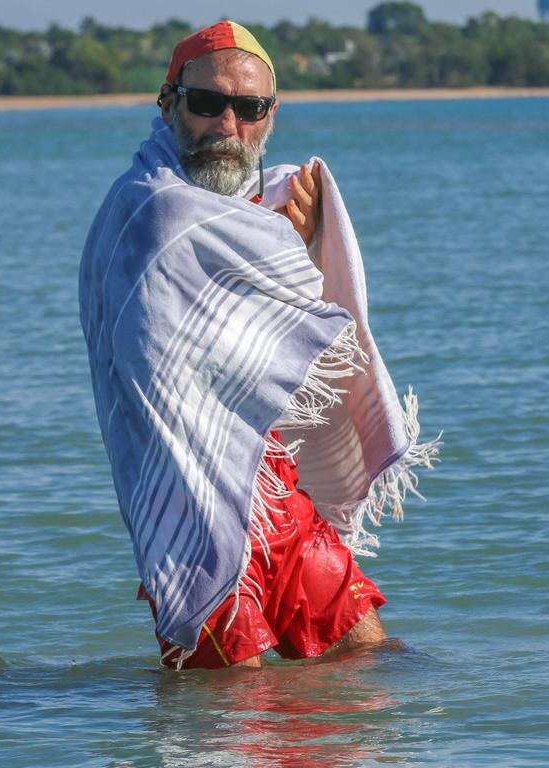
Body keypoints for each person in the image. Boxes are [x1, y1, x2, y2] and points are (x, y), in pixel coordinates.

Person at [79, 20, 438, 670]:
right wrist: (294, 239)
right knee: (229, 705)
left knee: (366, 652)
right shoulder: (150, 211)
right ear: (168, 103)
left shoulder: (246, 213)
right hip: (192, 502)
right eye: (208, 103)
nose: (227, 126)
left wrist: (295, 234)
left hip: (266, 482)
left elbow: (254, 329)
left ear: (271, 115)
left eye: (248, 108)